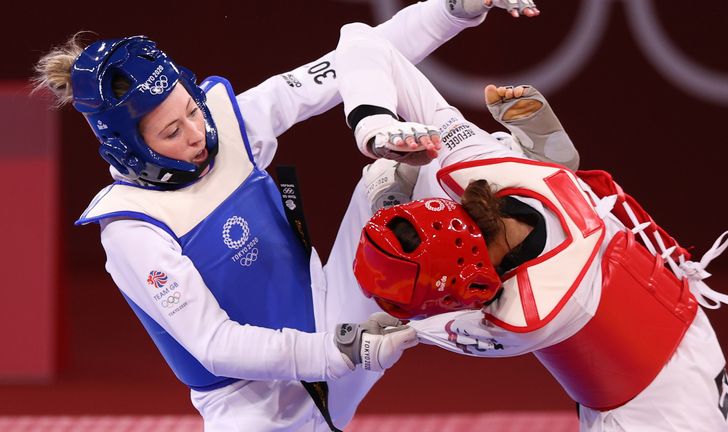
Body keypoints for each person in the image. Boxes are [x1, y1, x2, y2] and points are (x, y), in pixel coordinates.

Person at [31, 1, 543, 430]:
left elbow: (353, 58)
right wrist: (335, 353)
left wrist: (454, 9)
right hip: (253, 405)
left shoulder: (225, 123)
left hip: (332, 315)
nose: (196, 133)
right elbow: (213, 344)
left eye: (191, 109)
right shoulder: (132, 226)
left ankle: (527, 202)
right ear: (126, 146)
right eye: (171, 132)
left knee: (402, 174)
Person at [332, 22, 728, 431]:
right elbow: (359, 38)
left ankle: (533, 154)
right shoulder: (477, 160)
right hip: (676, 328)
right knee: (433, 163)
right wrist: (376, 128)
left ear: (472, 282)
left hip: (659, 413)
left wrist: (394, 339)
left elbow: (414, 334)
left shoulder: (527, 315)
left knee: (418, 171)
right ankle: (538, 153)